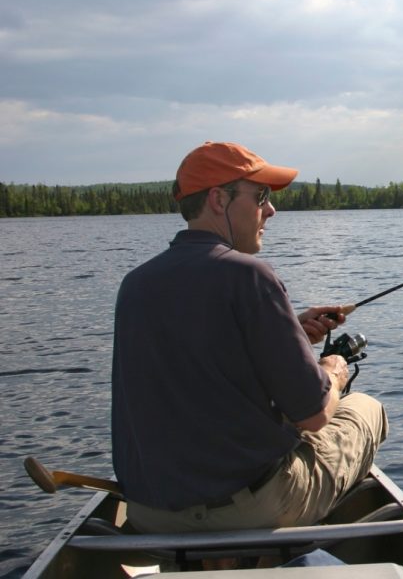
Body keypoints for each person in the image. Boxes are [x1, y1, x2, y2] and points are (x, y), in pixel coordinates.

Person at [112, 141, 388, 533]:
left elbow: (201, 352)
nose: (271, 209)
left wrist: (288, 327)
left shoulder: (135, 284)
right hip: (246, 510)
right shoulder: (249, 275)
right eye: (260, 196)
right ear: (218, 200)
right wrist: (334, 372)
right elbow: (312, 415)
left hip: (149, 514)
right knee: (364, 408)